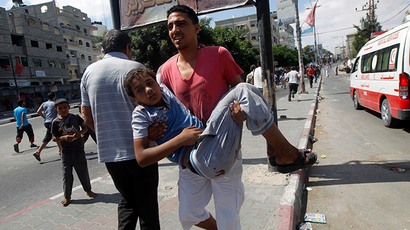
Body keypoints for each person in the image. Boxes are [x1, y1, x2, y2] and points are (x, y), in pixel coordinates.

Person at [158, 5, 316, 229]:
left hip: (224, 144)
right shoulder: (165, 70)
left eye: (181, 23)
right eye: (170, 26)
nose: (175, 29)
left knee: (228, 212)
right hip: (191, 151)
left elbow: (241, 91)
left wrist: (240, 112)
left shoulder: (218, 54)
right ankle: (278, 149)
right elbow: (161, 108)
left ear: (196, 28)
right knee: (188, 213)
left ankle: (280, 149)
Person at [125, 67, 315, 177]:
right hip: (201, 159)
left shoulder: (163, 89)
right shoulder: (141, 114)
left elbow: (163, 69)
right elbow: (141, 158)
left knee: (249, 91)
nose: (148, 90)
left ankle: (275, 150)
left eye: (150, 84)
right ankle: (283, 151)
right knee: (242, 90)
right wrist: (180, 140)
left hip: (214, 144)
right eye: (140, 90)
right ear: (134, 99)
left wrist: (198, 47)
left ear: (157, 83)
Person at [80, 29, 160, 229]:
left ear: (103, 49)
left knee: (127, 200)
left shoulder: (88, 72)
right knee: (147, 206)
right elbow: (153, 105)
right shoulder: (135, 68)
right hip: (141, 149)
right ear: (127, 48)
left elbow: (86, 118)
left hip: (110, 154)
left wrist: (107, 138)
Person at [51, 98, 97, 206]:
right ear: (56, 110)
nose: (63, 110)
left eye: (65, 107)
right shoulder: (56, 122)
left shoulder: (75, 117)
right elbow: (54, 137)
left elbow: (85, 128)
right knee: (67, 175)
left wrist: (79, 133)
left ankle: (88, 190)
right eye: (60, 108)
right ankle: (67, 196)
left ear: (69, 107)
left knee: (83, 172)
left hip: (78, 150)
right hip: (66, 153)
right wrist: (63, 138)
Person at [33, 92, 62, 161]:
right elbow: (59, 112)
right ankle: (38, 151)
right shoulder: (55, 103)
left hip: (46, 122)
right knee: (48, 137)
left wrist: (45, 117)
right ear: (54, 96)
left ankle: (60, 150)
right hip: (53, 122)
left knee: (57, 134)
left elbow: (38, 111)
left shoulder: (44, 103)